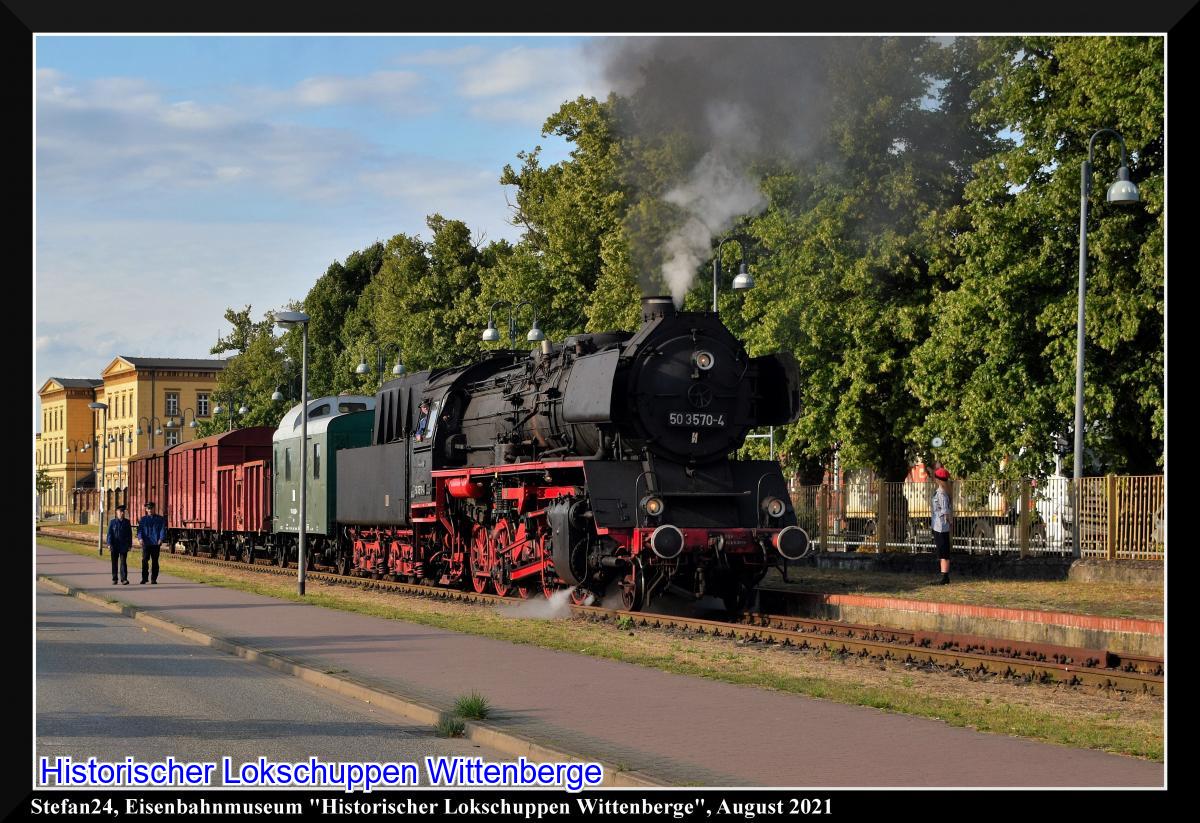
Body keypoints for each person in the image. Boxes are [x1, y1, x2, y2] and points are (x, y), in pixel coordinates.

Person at [930, 467, 954, 585]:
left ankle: (945, 577)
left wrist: (950, 523)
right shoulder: (941, 492)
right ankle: (944, 576)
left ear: (938, 479)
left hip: (941, 526)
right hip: (939, 525)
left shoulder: (941, 494)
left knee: (943, 552)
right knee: (942, 552)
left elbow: (945, 511)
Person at [138, 502, 167, 585]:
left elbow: (162, 530)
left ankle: (153, 578)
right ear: (146, 509)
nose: (150, 510)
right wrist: (140, 538)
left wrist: (161, 539)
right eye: (148, 508)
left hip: (155, 543)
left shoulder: (160, 519)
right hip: (146, 543)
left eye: (151, 508)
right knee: (144, 560)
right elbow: (140, 530)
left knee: (155, 561)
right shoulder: (143, 519)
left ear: (154, 509)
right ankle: (144, 578)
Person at [106, 504, 132, 584]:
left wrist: (129, 545)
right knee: (114, 563)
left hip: (123, 545)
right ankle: (115, 579)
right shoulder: (112, 522)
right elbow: (109, 534)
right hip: (114, 545)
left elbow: (129, 534)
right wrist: (109, 544)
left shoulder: (127, 522)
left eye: (123, 511)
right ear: (117, 512)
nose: (122, 513)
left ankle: (124, 579)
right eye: (120, 511)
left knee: (123, 562)